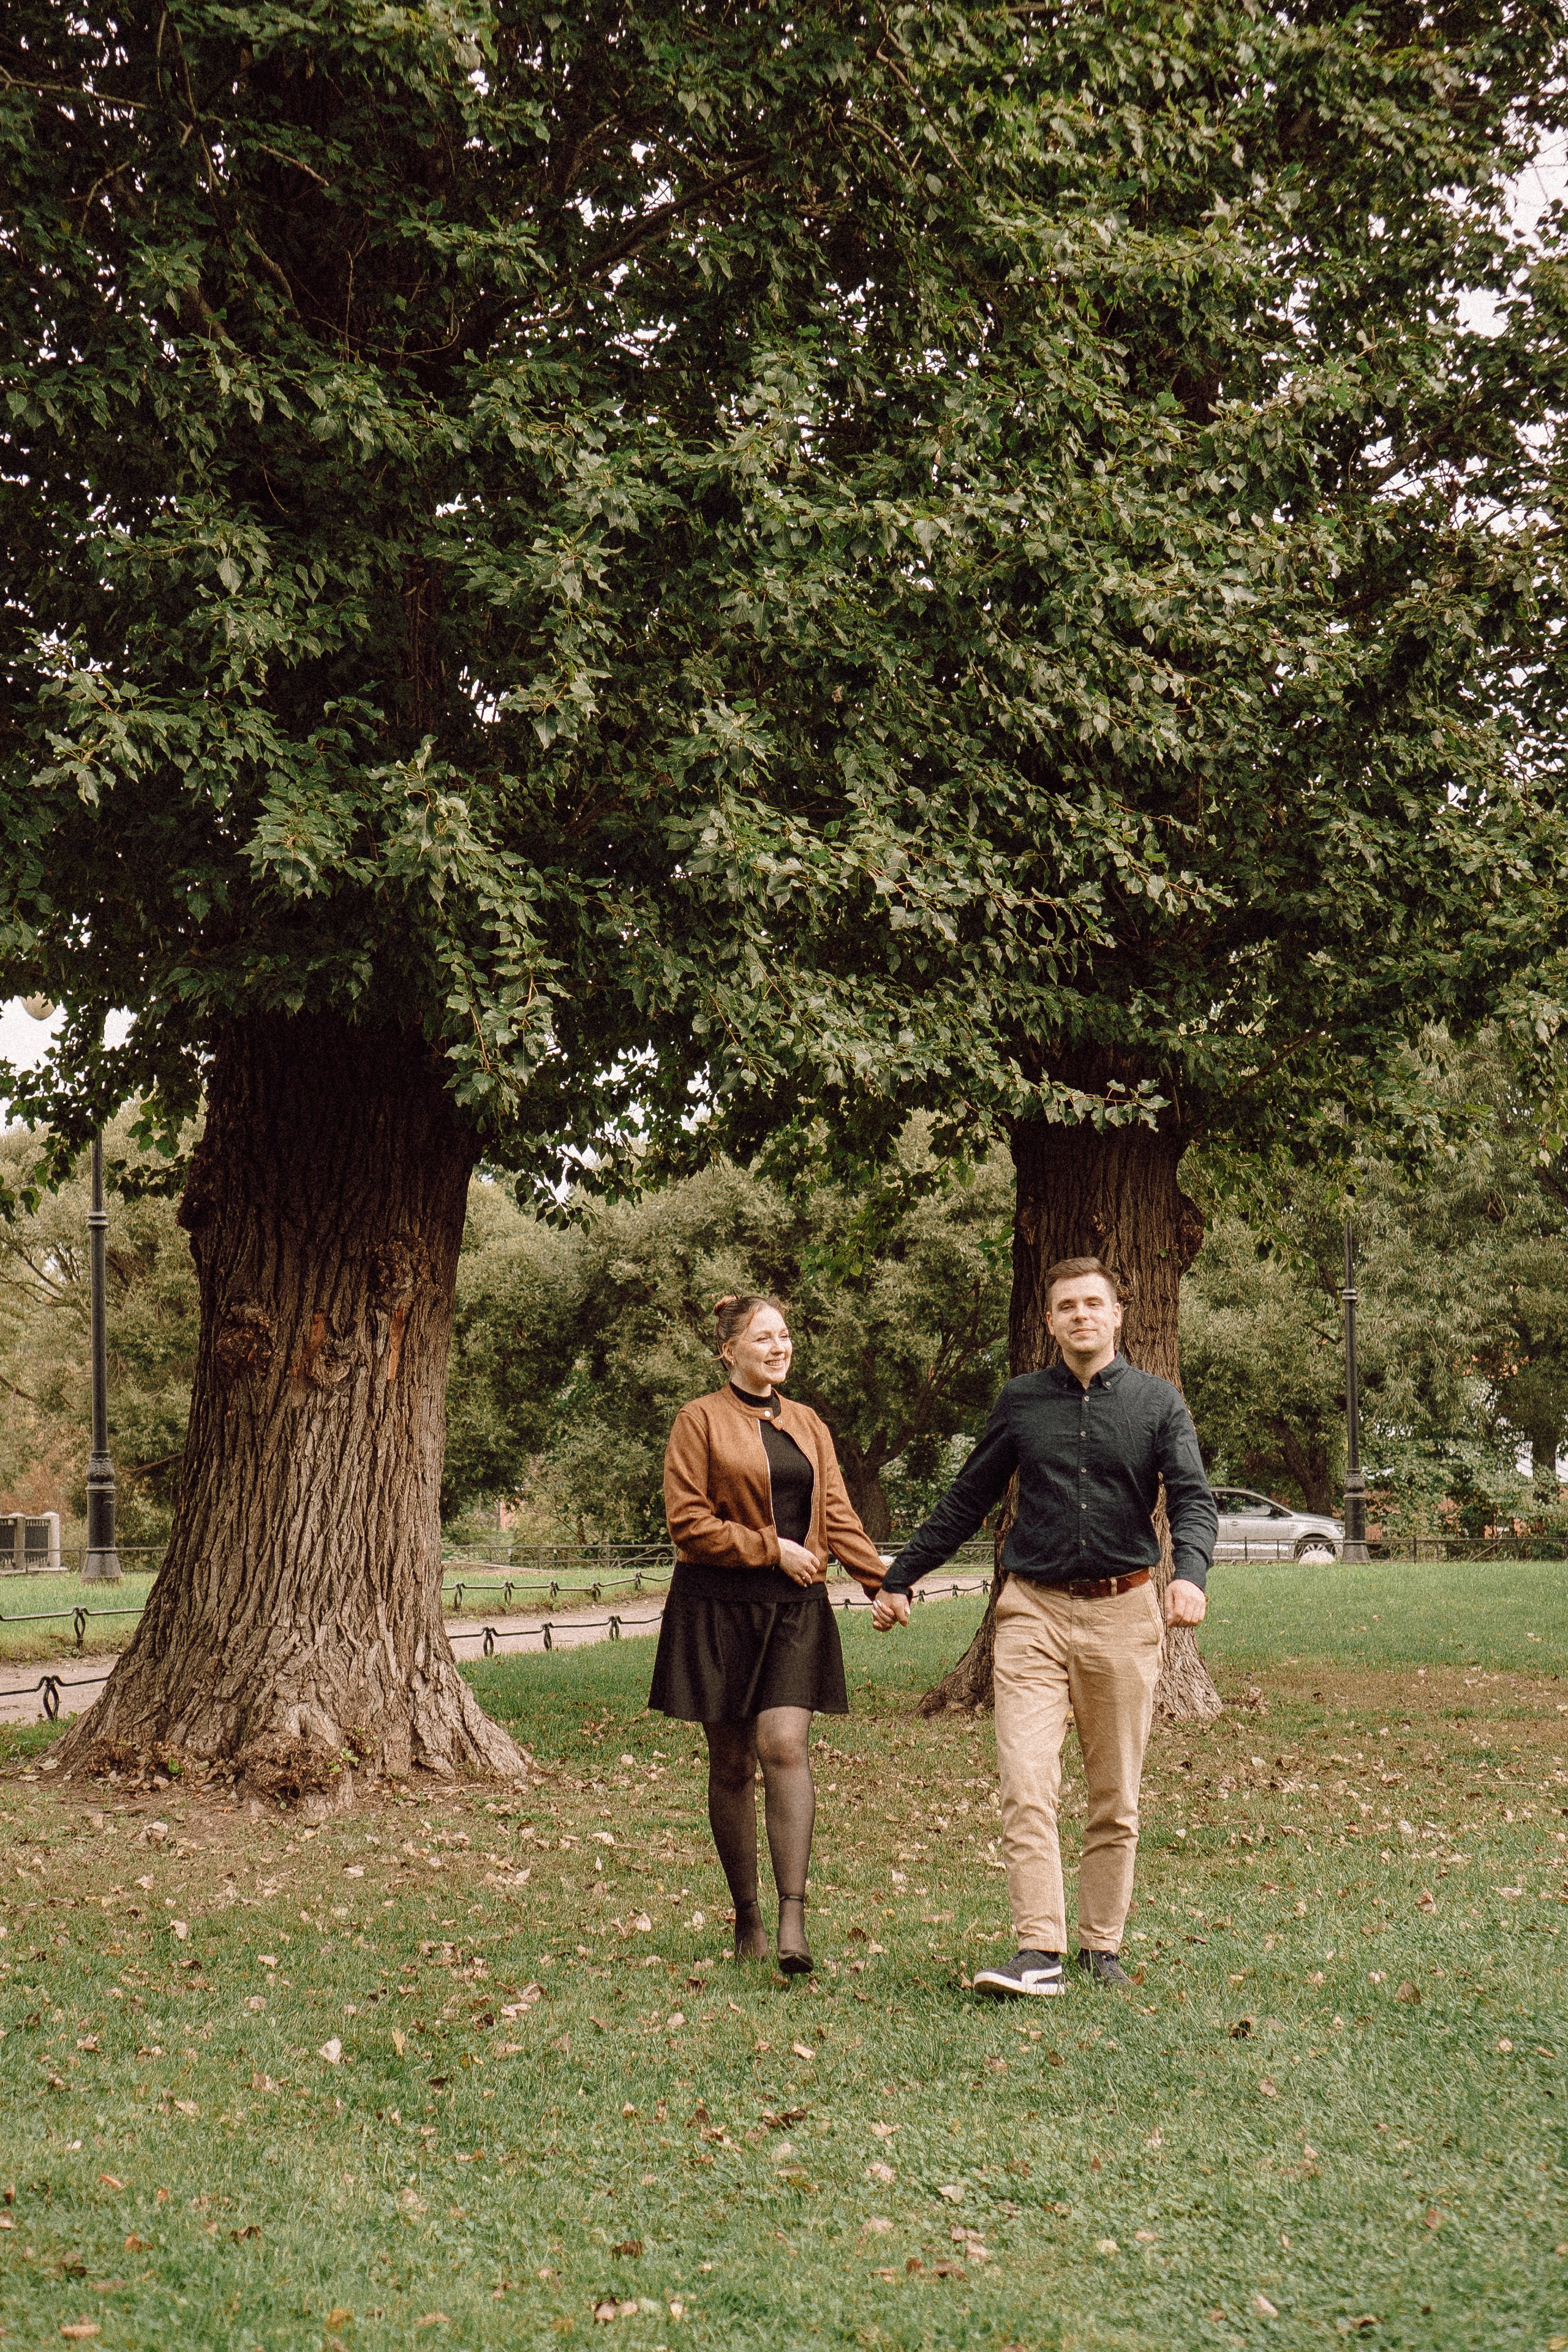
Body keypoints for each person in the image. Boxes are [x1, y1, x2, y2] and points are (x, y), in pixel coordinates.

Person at [872, 1256, 1216, 1997]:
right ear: (1050, 1321)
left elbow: (1192, 1496)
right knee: (1027, 1781)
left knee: (1113, 1794)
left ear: (1118, 1314)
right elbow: (968, 1499)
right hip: (1030, 1611)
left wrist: (1188, 1573)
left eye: (1094, 1303)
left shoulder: (1158, 1404)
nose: (1081, 1316)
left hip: (1124, 1613)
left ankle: (1101, 1946)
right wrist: (900, 1577)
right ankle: (1040, 1950)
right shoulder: (1021, 1402)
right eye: (1067, 1306)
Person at [650, 1293, 887, 1973]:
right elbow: (686, 1521)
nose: (778, 1347)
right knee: (730, 1764)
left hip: (793, 1609)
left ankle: (792, 1918)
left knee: (783, 1745)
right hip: (716, 1609)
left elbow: (836, 1513)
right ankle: (746, 1916)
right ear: (728, 1351)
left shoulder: (808, 1423)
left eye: (784, 1335)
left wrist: (879, 1583)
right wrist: (770, 1547)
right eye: (763, 1338)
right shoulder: (698, 1420)